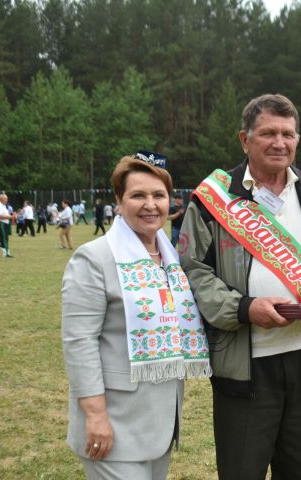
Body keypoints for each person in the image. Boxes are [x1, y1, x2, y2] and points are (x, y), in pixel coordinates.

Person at [180, 93, 301, 480]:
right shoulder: (213, 200)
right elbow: (193, 272)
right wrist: (244, 309)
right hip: (243, 367)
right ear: (245, 140)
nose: (280, 142)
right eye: (268, 133)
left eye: (288, 134)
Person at [62, 155, 210, 480]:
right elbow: (79, 343)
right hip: (114, 423)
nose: (150, 205)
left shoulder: (172, 259)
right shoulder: (94, 258)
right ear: (119, 201)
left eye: (158, 195)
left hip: (159, 426)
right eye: (138, 196)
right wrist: (95, 414)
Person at [0, 193, 13, 257]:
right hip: (1, 223)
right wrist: (10, 217)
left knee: (3, 238)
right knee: (4, 238)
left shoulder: (3, 205)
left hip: (5, 223)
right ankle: (6, 253)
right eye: (6, 199)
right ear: (1, 199)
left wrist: (11, 215)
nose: (7, 200)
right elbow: (0, 216)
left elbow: (5, 214)